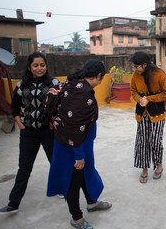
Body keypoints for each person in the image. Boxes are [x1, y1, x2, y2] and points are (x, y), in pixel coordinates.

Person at [45, 60, 111, 229]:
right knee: (73, 181)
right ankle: (77, 218)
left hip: (79, 143)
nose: (101, 81)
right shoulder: (82, 93)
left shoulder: (73, 84)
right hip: (73, 146)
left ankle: (91, 202)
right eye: (101, 78)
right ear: (97, 76)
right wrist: (79, 156)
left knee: (85, 174)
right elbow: (74, 127)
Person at [0, 52, 60, 215]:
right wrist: (19, 123)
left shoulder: (54, 83)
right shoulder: (22, 85)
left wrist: (54, 124)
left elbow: (61, 105)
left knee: (56, 162)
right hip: (29, 132)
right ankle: (13, 204)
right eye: (35, 65)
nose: (39, 68)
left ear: (46, 66)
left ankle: (60, 188)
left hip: (48, 132)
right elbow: (15, 106)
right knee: (24, 167)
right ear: (29, 67)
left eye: (42, 65)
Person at [130, 51, 166, 184]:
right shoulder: (135, 75)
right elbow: (133, 91)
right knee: (142, 142)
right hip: (141, 114)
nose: (135, 69)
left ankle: (159, 165)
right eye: (133, 67)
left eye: (137, 66)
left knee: (155, 141)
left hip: (157, 114)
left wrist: (149, 99)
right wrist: (139, 99)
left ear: (145, 64)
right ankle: (145, 169)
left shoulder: (159, 74)